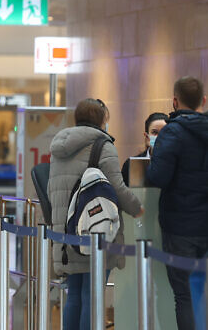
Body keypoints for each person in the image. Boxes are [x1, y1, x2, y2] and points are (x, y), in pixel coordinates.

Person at [147, 77, 208, 330]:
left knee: (185, 296)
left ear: (174, 102)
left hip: (179, 230)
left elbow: (158, 177)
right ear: (204, 101)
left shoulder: (172, 133)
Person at [48, 98, 143, 330]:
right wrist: (137, 208)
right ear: (102, 120)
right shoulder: (102, 145)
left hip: (66, 234)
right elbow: (117, 187)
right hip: (94, 231)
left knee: (74, 294)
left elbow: (53, 189)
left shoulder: (59, 147)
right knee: (92, 295)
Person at [121, 112, 169, 186]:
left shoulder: (176, 163)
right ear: (147, 136)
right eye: (154, 132)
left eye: (164, 132)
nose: (159, 136)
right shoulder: (130, 164)